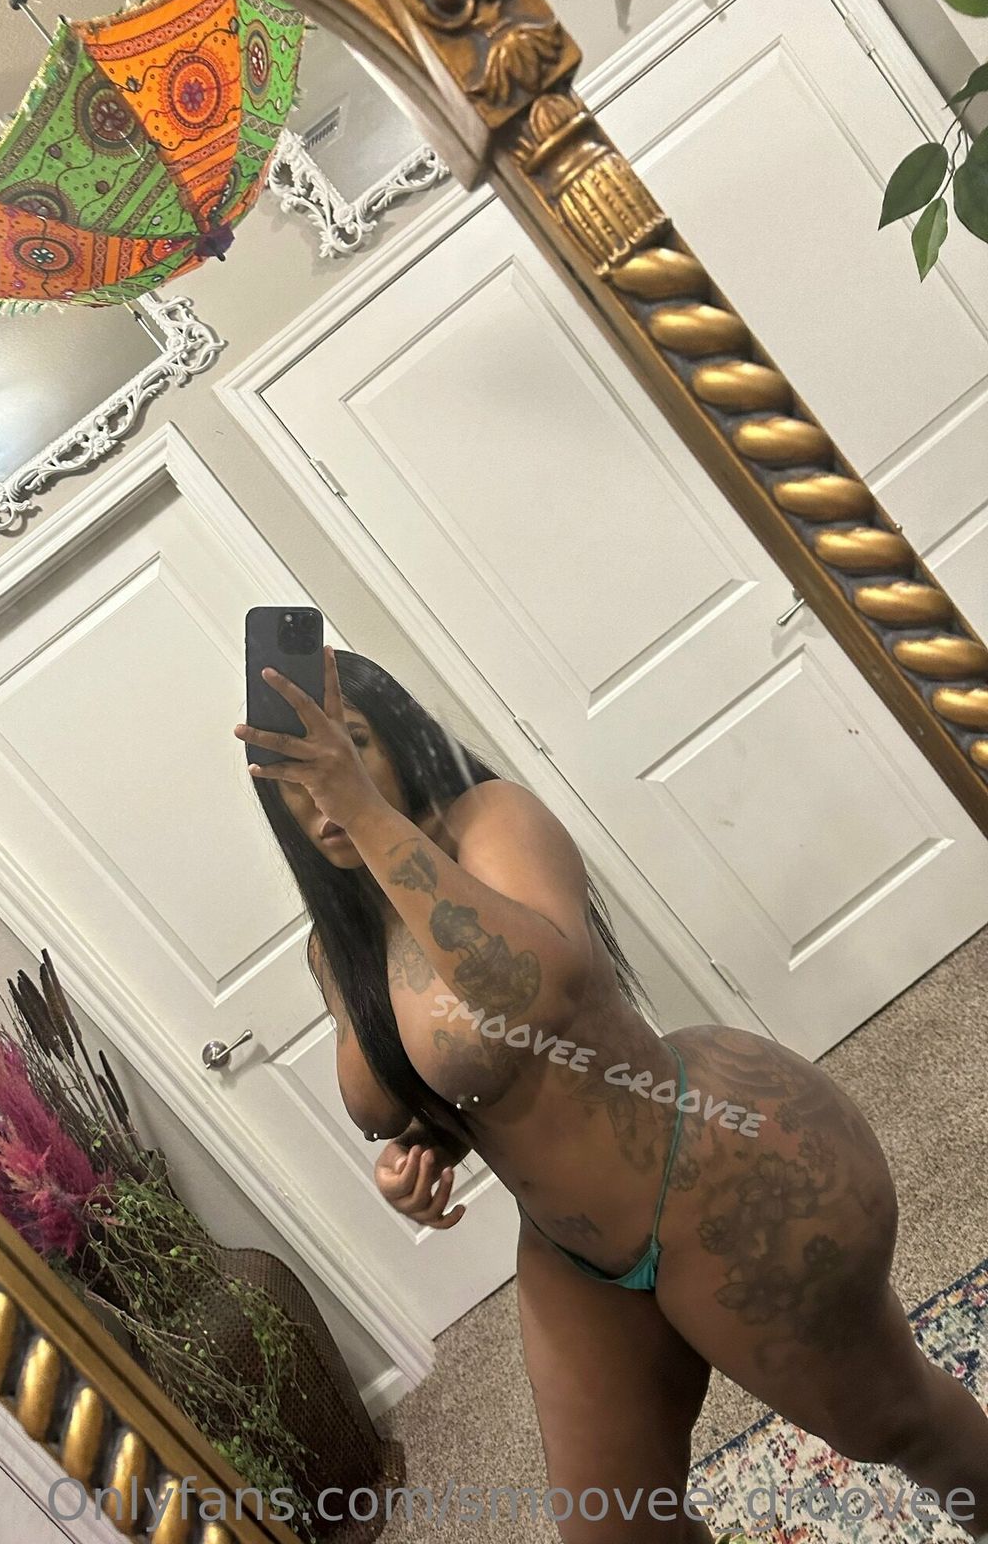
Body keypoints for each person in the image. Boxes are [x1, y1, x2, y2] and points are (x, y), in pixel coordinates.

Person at [235, 645, 988, 1543]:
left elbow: (532, 994)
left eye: (347, 742)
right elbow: (397, 1096)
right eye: (294, 771)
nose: (321, 786)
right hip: (573, 1254)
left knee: (890, 1422)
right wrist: (426, 1151)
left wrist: (364, 812)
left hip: (709, 1170)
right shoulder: (338, 943)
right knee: (616, 1529)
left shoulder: (488, 821)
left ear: (396, 740)